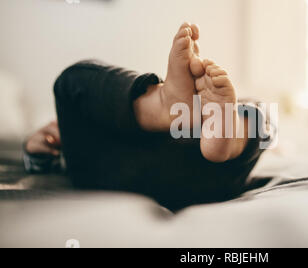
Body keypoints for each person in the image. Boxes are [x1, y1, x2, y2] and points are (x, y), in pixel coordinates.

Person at [24, 23, 270, 211]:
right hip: (209, 178)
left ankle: (171, 108)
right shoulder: (74, 135)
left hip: (104, 177)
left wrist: (35, 154)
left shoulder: (81, 145)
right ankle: (177, 110)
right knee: (263, 117)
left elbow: (41, 168)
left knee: (73, 80)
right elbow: (44, 157)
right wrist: (38, 146)